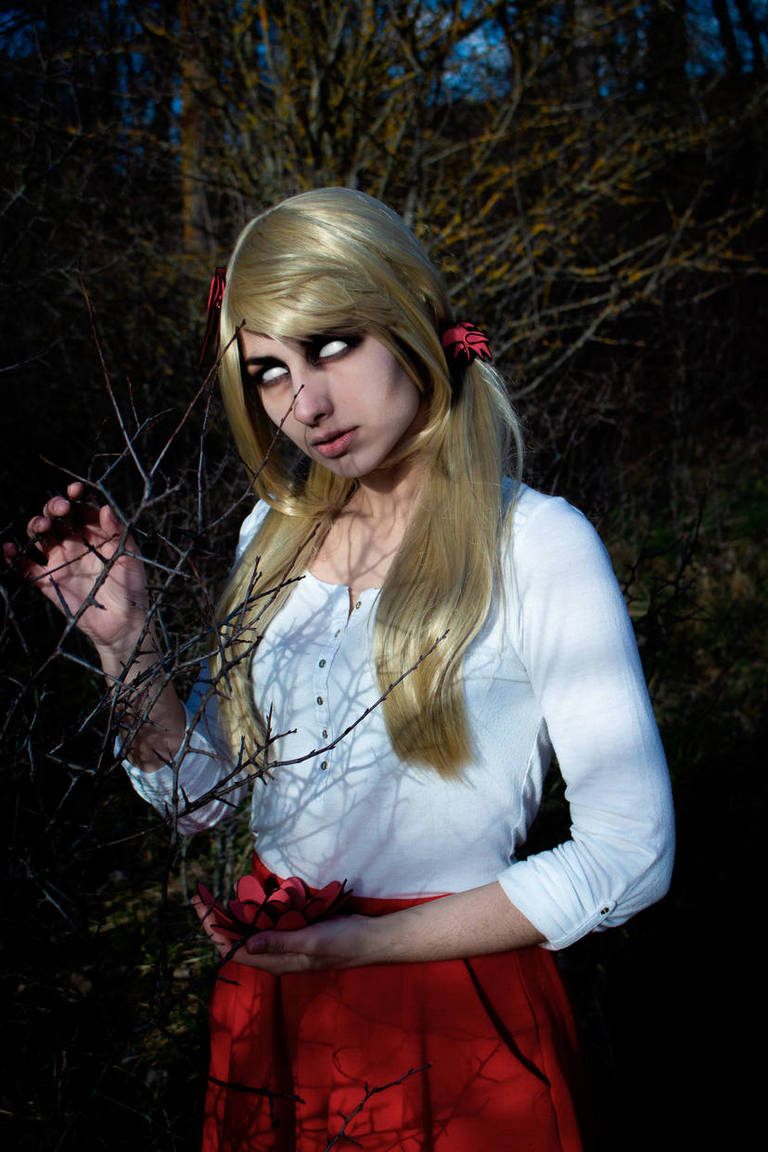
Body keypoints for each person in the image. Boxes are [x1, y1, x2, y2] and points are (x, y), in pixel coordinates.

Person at [5, 188, 674, 1151]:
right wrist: (127, 648)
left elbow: (631, 855)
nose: (305, 404)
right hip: (280, 994)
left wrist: (359, 948)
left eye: (330, 346)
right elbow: (202, 799)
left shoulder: (536, 543)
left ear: (407, 318)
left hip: (453, 1018)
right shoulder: (270, 537)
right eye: (270, 372)